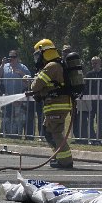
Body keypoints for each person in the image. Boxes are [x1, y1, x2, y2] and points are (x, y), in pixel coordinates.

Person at [28, 39, 72, 168]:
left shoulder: (52, 66)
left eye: (38, 55)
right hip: (54, 104)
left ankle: (66, 161)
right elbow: (50, 87)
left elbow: (36, 85)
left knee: (55, 133)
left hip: (57, 105)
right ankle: (60, 157)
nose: (37, 59)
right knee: (47, 131)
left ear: (45, 53)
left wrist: (36, 82)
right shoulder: (55, 65)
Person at [0, 49, 31, 137]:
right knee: (6, 117)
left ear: (17, 58)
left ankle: (17, 135)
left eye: (13, 57)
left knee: (19, 119)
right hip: (8, 97)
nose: (11, 59)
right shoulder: (5, 66)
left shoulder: (23, 67)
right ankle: (4, 134)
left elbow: (30, 81)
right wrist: (2, 64)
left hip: (20, 97)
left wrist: (21, 74)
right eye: (10, 57)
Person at [84, 56, 102, 144]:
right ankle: (92, 138)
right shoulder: (89, 74)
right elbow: (86, 87)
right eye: (93, 63)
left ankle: (98, 139)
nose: (94, 65)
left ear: (100, 63)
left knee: (99, 121)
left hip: (100, 101)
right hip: (90, 101)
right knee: (90, 120)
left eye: (96, 63)